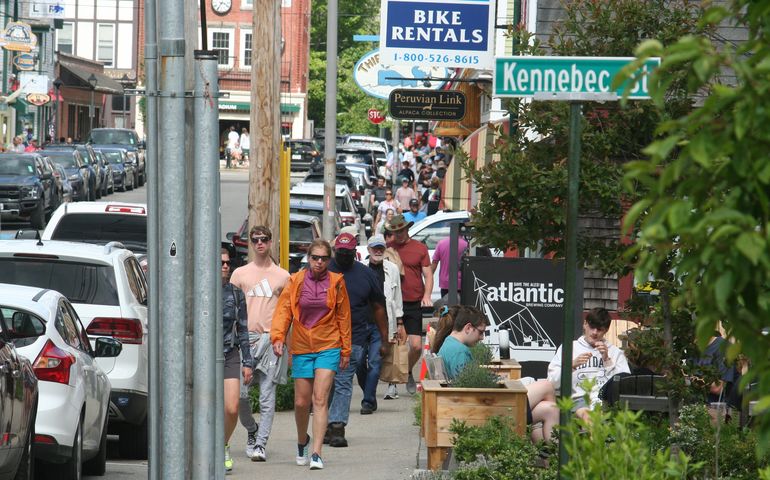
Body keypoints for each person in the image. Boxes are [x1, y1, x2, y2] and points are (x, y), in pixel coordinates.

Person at [271, 239, 351, 470]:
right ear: (308, 258)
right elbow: (284, 310)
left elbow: (344, 317)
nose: (319, 262)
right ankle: (302, 441)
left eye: (324, 258)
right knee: (301, 402)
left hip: (329, 344)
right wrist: (278, 338)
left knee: (320, 399)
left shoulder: (336, 282)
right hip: (302, 345)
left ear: (329, 260)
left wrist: (346, 349)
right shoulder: (295, 280)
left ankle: (316, 452)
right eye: (315, 257)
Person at [433, 306, 559, 442]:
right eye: (481, 332)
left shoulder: (449, 344)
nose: (482, 338)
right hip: (489, 409)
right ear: (468, 328)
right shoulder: (459, 352)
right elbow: (470, 389)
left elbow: (469, 383)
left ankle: (547, 457)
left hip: (482, 405)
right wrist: (498, 382)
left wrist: (493, 378)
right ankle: (549, 453)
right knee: (546, 385)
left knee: (550, 409)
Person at [229, 226, 291, 462]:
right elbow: (230, 309)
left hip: (272, 341)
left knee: (267, 395)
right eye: (255, 240)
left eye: (264, 239)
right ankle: (252, 430)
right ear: (250, 243)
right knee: (240, 397)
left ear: (271, 241)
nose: (260, 243)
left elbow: (288, 312)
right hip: (245, 341)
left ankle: (261, 444)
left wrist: (286, 342)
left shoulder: (283, 276)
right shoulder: (240, 274)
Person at [327, 233, 388, 443]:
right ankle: (326, 424)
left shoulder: (366, 275)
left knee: (343, 380)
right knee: (327, 382)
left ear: (355, 252)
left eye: (347, 252)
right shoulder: (322, 270)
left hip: (355, 338)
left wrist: (384, 337)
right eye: (340, 252)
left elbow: (379, 307)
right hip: (324, 337)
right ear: (335, 251)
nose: (343, 256)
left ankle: (336, 426)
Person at [547, 307, 630, 422]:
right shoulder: (569, 348)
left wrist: (607, 361)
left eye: (599, 329)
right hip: (577, 401)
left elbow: (625, 384)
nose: (595, 333)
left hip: (605, 402)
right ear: (585, 324)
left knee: (597, 415)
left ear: (606, 330)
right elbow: (551, 382)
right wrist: (570, 366)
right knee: (589, 416)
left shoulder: (615, 352)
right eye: (592, 327)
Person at [386, 214, 433, 394]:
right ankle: (392, 382)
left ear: (406, 229)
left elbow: (428, 275)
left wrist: (427, 295)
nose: (397, 234)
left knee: (416, 346)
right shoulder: (389, 249)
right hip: (393, 304)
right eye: (394, 231)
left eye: (400, 230)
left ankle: (406, 372)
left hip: (414, 302)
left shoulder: (420, 248)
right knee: (395, 344)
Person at [221, 247, 253, 473]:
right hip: (203, 356)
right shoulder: (199, 290)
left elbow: (243, 328)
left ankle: (222, 444)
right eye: (221, 262)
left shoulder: (235, 293)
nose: (225, 266)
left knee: (232, 407)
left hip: (228, 354)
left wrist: (248, 362)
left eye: (227, 262)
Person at [360, 234, 405, 400]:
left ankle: (368, 400)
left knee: (374, 361)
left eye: (381, 248)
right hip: (361, 322)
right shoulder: (361, 267)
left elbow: (397, 297)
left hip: (382, 325)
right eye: (375, 248)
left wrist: (400, 323)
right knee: (358, 362)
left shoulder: (392, 269)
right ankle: (368, 391)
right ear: (369, 249)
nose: (378, 251)